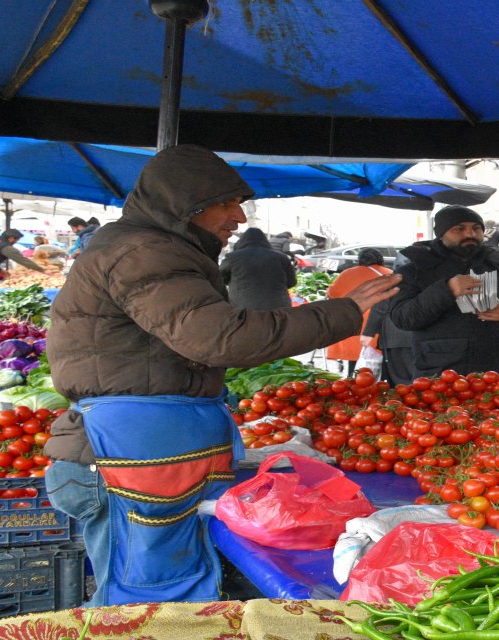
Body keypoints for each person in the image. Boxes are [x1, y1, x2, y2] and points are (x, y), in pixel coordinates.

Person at [44, 143, 400, 606]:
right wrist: (343, 313)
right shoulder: (145, 252)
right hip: (124, 455)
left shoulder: (154, 248)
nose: (238, 216)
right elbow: (220, 338)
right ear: (189, 202)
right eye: (228, 202)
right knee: (146, 602)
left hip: (139, 449)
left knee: (159, 594)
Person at [388, 206, 499, 387]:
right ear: (441, 233)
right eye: (459, 228)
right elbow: (402, 317)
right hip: (441, 377)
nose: (470, 233)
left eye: (476, 228)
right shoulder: (416, 267)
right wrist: (447, 290)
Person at [326, 249, 394, 375]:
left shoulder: (347, 274)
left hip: (354, 322)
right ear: (381, 260)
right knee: (381, 366)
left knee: (354, 366)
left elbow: (332, 294)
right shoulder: (389, 274)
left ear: (359, 260)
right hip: (379, 326)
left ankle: (352, 379)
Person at [363, 255, 418, 386]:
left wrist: (368, 333)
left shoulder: (393, 281)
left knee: (398, 377)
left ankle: (403, 402)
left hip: (394, 336)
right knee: (417, 374)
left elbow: (380, 307)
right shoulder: (428, 279)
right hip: (420, 335)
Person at [218, 227, 297, 311]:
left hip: (243, 310)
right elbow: (291, 282)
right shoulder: (282, 257)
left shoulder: (232, 257)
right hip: (278, 309)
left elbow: (220, 279)